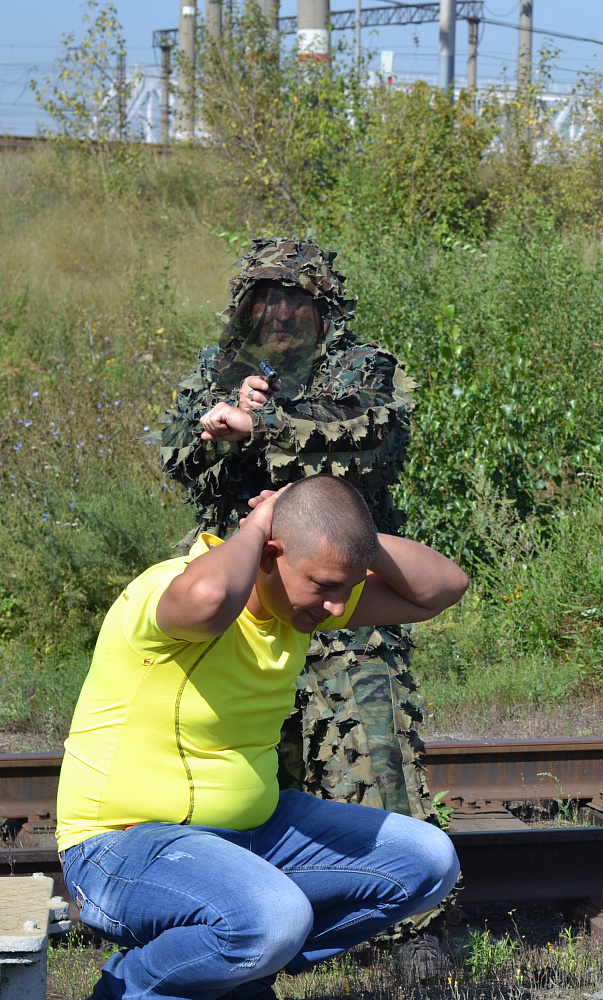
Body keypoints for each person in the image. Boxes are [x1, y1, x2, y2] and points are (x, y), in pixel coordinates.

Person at [56, 475, 469, 1000]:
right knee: (274, 918)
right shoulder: (169, 590)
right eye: (324, 584)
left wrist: (347, 535)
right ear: (270, 555)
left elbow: (443, 588)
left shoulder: (296, 607)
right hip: (121, 846)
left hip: (255, 835)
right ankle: (130, 988)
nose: (337, 607)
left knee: (428, 861)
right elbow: (208, 598)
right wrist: (259, 522)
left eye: (345, 588)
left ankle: (236, 964)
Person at [158, 239, 433, 830]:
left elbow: (371, 434)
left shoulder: (361, 367)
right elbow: (177, 456)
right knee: (239, 780)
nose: (280, 314)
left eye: (296, 300)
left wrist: (265, 424)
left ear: (325, 309)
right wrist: (217, 427)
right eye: (266, 299)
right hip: (247, 610)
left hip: (344, 608)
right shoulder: (219, 370)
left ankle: (402, 893)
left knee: (373, 777)